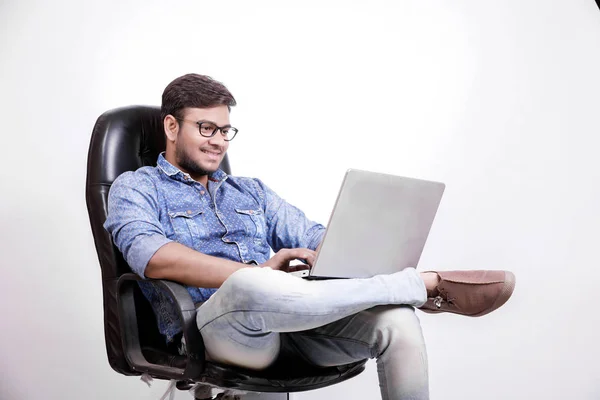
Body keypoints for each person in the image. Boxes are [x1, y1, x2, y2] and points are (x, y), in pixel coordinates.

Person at [104, 73, 515, 400]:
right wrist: (258, 272)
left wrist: (336, 250)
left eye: (226, 131)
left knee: (397, 320)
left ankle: (403, 294)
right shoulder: (136, 187)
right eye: (206, 128)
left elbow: (310, 233)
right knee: (250, 280)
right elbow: (154, 257)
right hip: (207, 331)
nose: (218, 142)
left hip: (285, 323)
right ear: (172, 126)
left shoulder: (249, 190)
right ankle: (416, 285)